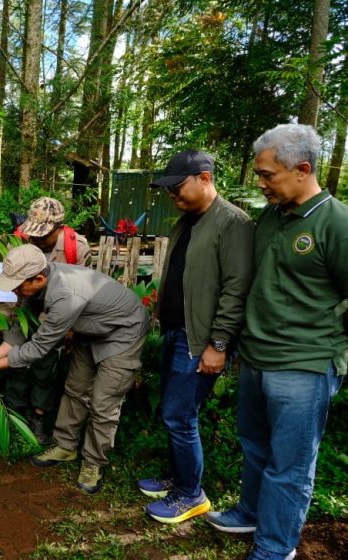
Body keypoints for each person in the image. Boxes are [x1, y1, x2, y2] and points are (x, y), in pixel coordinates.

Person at [206, 124, 347, 560]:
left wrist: (332, 347)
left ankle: (275, 546)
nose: (261, 184)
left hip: (305, 364)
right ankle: (251, 513)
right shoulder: (271, 218)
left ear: (302, 169)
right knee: (254, 446)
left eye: (268, 175)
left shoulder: (337, 223)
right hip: (256, 357)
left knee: (290, 465)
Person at [0, 244, 150, 494]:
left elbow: (37, 348)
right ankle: (65, 446)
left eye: (17, 286)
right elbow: (19, 333)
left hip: (122, 332)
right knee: (75, 389)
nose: (15, 291)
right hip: (90, 330)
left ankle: (94, 462)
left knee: (103, 402)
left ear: (39, 279)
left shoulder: (65, 296)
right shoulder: (38, 285)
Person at [135, 150, 254, 524]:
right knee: (174, 413)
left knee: (179, 415)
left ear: (205, 178)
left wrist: (219, 344)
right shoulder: (186, 221)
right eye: (168, 188)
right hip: (176, 331)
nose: (172, 194)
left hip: (201, 338)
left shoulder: (233, 223)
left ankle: (191, 494)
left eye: (178, 186)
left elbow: (236, 289)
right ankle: (178, 477)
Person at [4, 196, 91, 443]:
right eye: (34, 233)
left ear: (59, 227)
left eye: (43, 234)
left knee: (45, 368)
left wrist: (70, 329)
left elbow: (83, 291)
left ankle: (39, 417)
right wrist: (4, 319)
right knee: (15, 363)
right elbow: (10, 285)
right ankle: (14, 414)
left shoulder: (77, 248)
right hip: (22, 315)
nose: (37, 239)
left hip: (55, 319)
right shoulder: (21, 241)